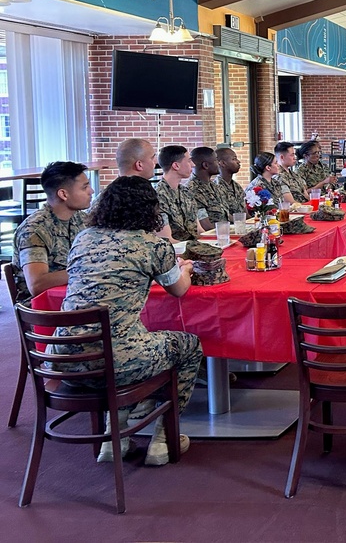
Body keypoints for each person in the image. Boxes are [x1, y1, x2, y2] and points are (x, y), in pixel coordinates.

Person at [53, 176, 202, 466]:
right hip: (116, 361)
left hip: (63, 359)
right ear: (149, 209)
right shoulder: (152, 244)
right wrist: (185, 268)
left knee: (134, 339)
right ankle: (162, 441)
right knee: (187, 346)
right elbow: (179, 289)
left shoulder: (84, 237)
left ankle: (114, 438)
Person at [10, 161, 93, 307]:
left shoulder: (82, 219)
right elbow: (37, 284)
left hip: (76, 297)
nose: (91, 191)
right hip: (45, 308)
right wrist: (86, 270)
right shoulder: (35, 229)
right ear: (63, 194)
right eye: (84, 187)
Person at [155, 145, 206, 240]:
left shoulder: (186, 192)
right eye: (188, 161)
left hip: (194, 247)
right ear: (176, 166)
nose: (193, 164)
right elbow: (167, 240)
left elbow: (199, 231)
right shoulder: (158, 196)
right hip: (177, 251)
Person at [187, 146, 229, 224]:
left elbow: (225, 214)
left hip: (224, 231)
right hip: (213, 234)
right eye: (216, 160)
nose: (219, 163)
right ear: (205, 165)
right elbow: (205, 226)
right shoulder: (193, 190)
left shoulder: (214, 186)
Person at [214, 147, 246, 217]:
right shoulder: (216, 187)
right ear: (222, 163)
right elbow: (225, 215)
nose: (238, 161)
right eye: (234, 159)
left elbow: (244, 211)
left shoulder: (236, 186)